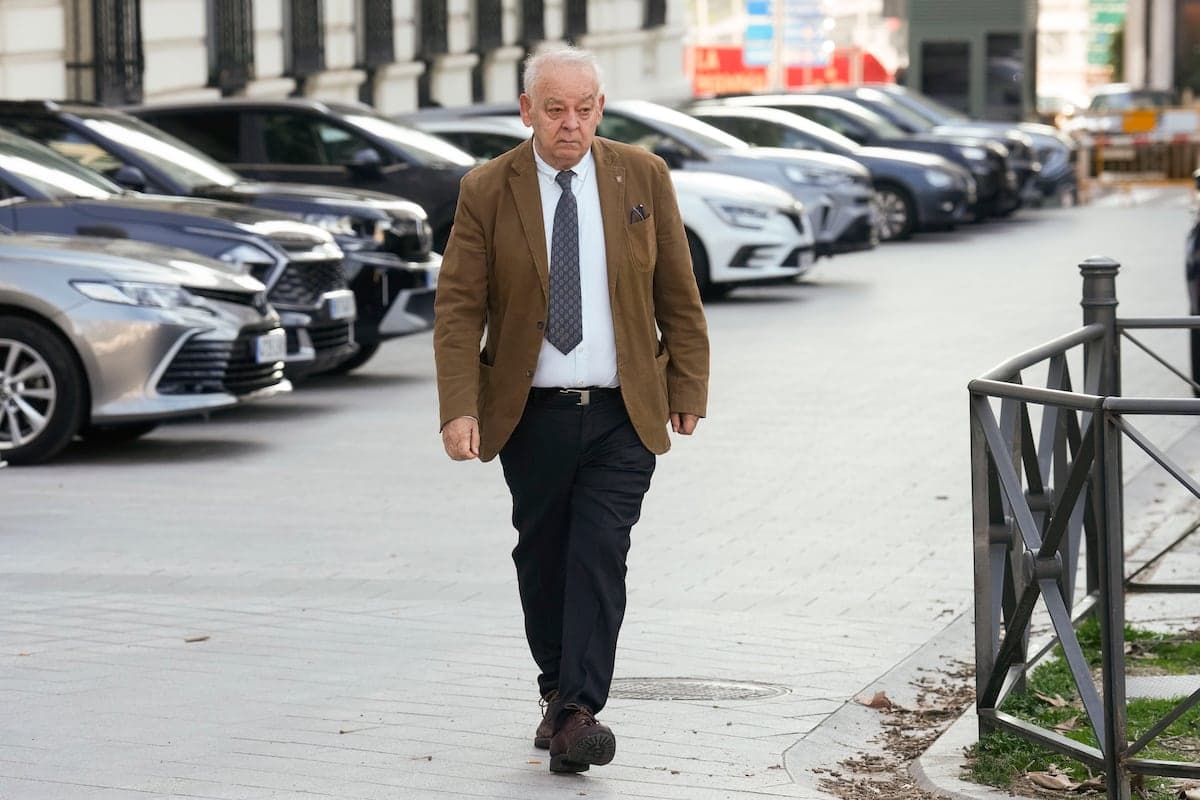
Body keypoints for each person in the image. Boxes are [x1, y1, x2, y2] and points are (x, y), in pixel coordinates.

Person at [433, 45, 710, 774]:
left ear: (600, 109)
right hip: (531, 414)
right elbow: (459, 310)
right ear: (527, 111)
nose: (571, 123)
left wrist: (688, 387)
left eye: (585, 108)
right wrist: (459, 407)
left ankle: (581, 711)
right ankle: (556, 692)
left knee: (599, 554)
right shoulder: (488, 189)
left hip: (624, 412)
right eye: (555, 109)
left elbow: (678, 293)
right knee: (543, 557)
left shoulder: (640, 176)